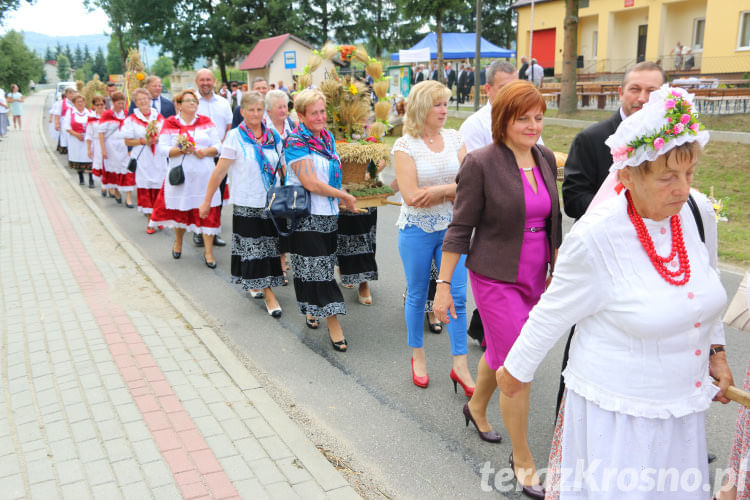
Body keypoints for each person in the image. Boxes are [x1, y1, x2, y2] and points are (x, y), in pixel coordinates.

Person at [497, 85, 733, 498]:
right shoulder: (599, 236)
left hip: (682, 409)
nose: (683, 188)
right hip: (621, 417)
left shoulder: (696, 213)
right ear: (627, 175)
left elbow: (706, 289)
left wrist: (717, 353)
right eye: (667, 177)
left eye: (689, 173)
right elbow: (551, 313)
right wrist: (514, 373)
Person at [434, 80, 560, 499]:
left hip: (534, 274)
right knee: (517, 368)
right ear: (503, 118)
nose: (533, 125)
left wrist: (555, 267)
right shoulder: (481, 163)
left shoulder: (543, 157)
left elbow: (551, 220)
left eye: (538, 117)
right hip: (494, 277)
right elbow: (460, 228)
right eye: (523, 117)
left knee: (501, 351)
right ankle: (522, 460)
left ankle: (474, 406)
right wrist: (443, 286)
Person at [557, 60, 667, 415]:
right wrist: (630, 211)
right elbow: (573, 198)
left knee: (651, 345)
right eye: (635, 89)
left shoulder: (670, 144)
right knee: (588, 341)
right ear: (621, 92)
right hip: (605, 259)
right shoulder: (591, 139)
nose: (642, 97)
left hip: (655, 259)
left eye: (652, 91)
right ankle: (568, 422)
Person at [392, 80, 472, 390]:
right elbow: (411, 196)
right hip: (416, 230)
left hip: (453, 229)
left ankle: (460, 364)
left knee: (458, 294)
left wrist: (438, 191)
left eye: (445, 103)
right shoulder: (404, 146)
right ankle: (418, 355)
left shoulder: (455, 138)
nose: (444, 109)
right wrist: (454, 191)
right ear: (422, 107)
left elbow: (470, 185)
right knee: (416, 294)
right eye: (437, 104)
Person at [283, 89, 358, 350]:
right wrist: (343, 195)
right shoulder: (295, 141)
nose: (320, 117)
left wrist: (337, 198)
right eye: (313, 113)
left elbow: (330, 174)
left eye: (322, 111)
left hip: (328, 214)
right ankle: (334, 324)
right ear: (301, 115)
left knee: (313, 267)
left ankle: (311, 308)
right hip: (305, 215)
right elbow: (310, 182)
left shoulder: (327, 139)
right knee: (321, 271)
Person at [199, 92, 285, 316]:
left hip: (271, 202)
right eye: (251, 110)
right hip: (246, 202)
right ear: (243, 112)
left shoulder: (273, 135)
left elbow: (284, 166)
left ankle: (256, 282)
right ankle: (269, 294)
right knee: (255, 248)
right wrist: (207, 201)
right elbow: (219, 172)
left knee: (268, 248)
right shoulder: (235, 137)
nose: (255, 114)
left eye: (259, 109)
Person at [149, 89, 223, 266]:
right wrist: (182, 149)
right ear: (179, 104)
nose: (192, 104)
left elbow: (218, 145)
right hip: (181, 177)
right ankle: (179, 241)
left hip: (204, 176)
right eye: (188, 100)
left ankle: (208, 252)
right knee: (181, 210)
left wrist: (205, 151)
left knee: (208, 212)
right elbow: (162, 149)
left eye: (195, 101)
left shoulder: (206, 122)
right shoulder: (170, 123)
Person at [194, 68, 232, 249]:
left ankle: (213, 230)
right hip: (197, 157)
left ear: (214, 81)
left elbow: (228, 125)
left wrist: (221, 145)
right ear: (196, 82)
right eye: (202, 80)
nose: (205, 83)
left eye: (208, 80)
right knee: (198, 194)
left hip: (219, 157)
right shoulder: (190, 101)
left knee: (218, 194)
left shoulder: (223, 103)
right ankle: (197, 231)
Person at [122, 88, 166, 232]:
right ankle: (149, 220)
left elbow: (167, 134)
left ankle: (157, 217)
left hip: (158, 157)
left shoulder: (158, 117)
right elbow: (127, 141)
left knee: (159, 188)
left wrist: (159, 138)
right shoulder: (131, 120)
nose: (143, 102)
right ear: (135, 103)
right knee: (146, 189)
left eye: (145, 98)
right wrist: (142, 141)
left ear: (149, 100)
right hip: (143, 158)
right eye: (139, 99)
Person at [98, 91, 133, 205]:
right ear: (113, 103)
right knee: (114, 169)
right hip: (111, 146)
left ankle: (128, 198)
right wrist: (103, 150)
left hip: (124, 145)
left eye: (122, 103)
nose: (121, 106)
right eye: (118, 103)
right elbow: (101, 133)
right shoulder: (107, 114)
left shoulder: (127, 114)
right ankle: (117, 190)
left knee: (127, 169)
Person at [63, 94, 95, 187]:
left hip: (88, 139)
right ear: (74, 103)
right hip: (75, 139)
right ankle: (81, 177)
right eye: (78, 102)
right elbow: (66, 126)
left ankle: (91, 180)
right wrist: (76, 134)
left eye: (82, 101)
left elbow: (95, 124)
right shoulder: (70, 112)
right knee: (78, 158)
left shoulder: (89, 112)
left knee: (89, 158)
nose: (80, 103)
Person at [86, 95, 107, 197]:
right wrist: (89, 149)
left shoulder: (109, 116)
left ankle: (111, 186)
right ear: (94, 106)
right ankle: (103, 186)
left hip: (109, 143)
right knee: (100, 164)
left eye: (102, 104)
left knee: (109, 164)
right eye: (97, 105)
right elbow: (89, 134)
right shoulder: (92, 118)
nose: (100, 107)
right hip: (97, 144)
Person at [55, 87, 75, 154]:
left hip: (73, 123)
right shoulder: (61, 103)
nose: (71, 95)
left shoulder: (76, 102)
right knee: (66, 138)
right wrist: (57, 123)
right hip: (64, 123)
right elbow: (57, 114)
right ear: (66, 94)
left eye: (73, 93)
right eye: (70, 93)